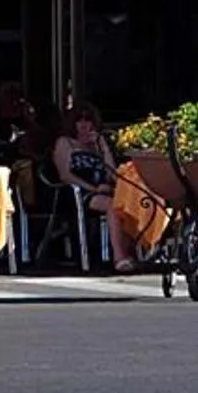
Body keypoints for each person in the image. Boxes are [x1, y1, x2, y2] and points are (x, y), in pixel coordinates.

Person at [49, 105, 129, 271]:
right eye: (80, 119)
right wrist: (92, 189)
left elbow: (113, 174)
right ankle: (120, 257)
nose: (84, 124)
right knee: (113, 206)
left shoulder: (97, 146)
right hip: (76, 192)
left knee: (129, 204)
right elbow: (65, 174)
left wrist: (104, 147)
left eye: (88, 119)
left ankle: (135, 253)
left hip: (103, 190)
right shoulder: (66, 143)